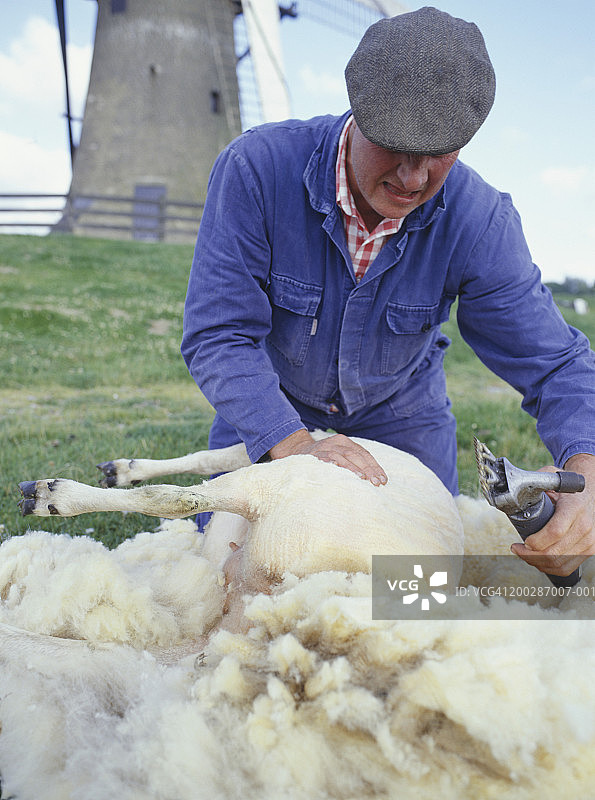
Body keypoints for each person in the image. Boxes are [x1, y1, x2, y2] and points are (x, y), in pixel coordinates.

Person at [182, 6, 595, 578]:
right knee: (233, 577)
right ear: (359, 113)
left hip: (402, 416)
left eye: (439, 155)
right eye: (393, 147)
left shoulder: (481, 221)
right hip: (275, 405)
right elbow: (219, 333)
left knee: (412, 593)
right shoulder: (256, 170)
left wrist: (589, 472)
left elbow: (555, 364)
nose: (411, 178)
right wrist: (295, 445)